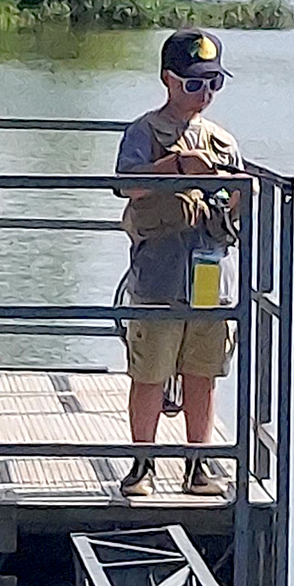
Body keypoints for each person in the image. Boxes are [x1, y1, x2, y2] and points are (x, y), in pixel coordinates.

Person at [115, 28, 242, 499]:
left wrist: (239, 193)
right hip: (159, 277)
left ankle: (197, 466)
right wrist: (175, 168)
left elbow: (237, 208)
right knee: (149, 373)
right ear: (169, 80)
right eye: (194, 83)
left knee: (202, 374)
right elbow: (127, 184)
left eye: (213, 83)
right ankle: (141, 466)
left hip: (211, 279)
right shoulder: (143, 132)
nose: (204, 94)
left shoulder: (224, 142)